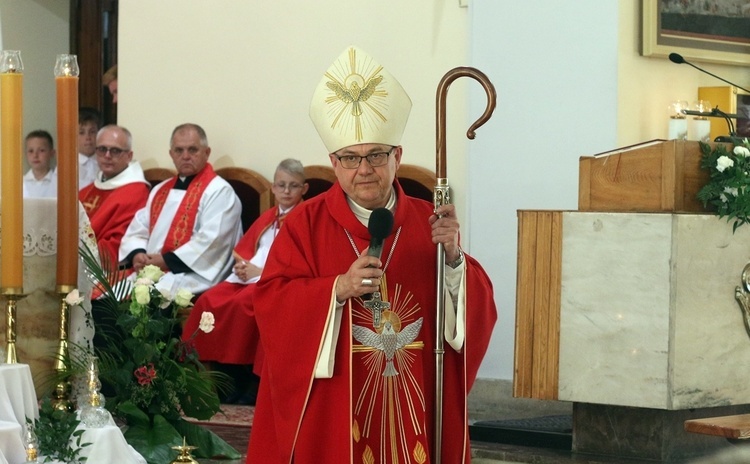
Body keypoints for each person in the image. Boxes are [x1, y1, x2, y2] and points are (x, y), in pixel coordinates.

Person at [246, 46, 497, 463]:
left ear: (397, 158)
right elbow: (271, 302)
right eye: (350, 158)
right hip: (337, 401)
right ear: (333, 162)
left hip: (414, 393)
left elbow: (478, 311)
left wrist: (453, 257)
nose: (364, 169)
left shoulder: (430, 223)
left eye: (376, 155)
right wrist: (336, 290)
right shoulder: (304, 225)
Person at [182, 158, 308, 404]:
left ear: (304, 189)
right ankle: (213, 378)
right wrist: (242, 268)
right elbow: (252, 248)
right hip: (252, 277)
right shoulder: (270, 216)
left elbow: (299, 262)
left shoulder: (307, 217)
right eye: (281, 185)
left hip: (278, 281)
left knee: (246, 305)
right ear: (273, 187)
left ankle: (247, 380)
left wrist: (258, 272)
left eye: (293, 186)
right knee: (210, 300)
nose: (286, 191)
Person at [118, 123, 242, 295]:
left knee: (153, 301)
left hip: (193, 274)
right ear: (171, 154)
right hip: (150, 270)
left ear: (207, 153)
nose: (185, 156)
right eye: (179, 150)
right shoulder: (159, 190)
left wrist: (166, 261)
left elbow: (213, 241)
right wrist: (138, 255)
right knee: (106, 303)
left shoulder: (219, 191)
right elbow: (139, 229)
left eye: (193, 150)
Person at [79, 125, 150, 263]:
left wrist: (78, 257)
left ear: (129, 156)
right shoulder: (85, 192)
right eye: (102, 149)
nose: (107, 156)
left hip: (104, 269)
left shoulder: (136, 192)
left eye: (115, 151)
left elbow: (121, 241)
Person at [22, 129, 57, 198]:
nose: (35, 155)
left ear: (52, 153)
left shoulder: (59, 183)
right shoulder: (19, 183)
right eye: (31, 151)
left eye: (41, 150)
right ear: (25, 154)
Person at [78, 107, 102, 190]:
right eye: (81, 133)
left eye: (92, 132)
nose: (88, 137)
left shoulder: (106, 161)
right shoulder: (67, 166)